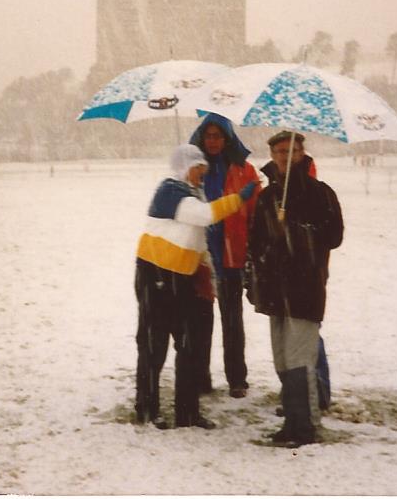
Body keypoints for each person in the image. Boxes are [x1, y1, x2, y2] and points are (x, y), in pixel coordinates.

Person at [134, 143, 257, 430]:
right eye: (198, 170)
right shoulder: (169, 191)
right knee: (154, 345)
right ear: (185, 168)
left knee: (190, 345)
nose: (202, 175)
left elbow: (197, 239)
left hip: (184, 276)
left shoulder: (192, 192)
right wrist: (239, 198)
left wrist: (205, 275)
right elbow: (204, 216)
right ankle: (146, 409)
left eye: (203, 171)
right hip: (156, 275)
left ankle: (187, 412)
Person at [246, 131, 344, 447]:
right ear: (272, 154)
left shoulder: (320, 193)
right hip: (275, 292)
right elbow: (255, 243)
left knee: (300, 358)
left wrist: (298, 231)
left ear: (302, 153)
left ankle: (305, 427)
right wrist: (254, 280)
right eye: (280, 151)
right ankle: (292, 419)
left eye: (293, 150)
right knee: (282, 359)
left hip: (305, 290)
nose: (286, 157)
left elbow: (334, 236)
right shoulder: (266, 197)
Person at [188, 114, 262, 399]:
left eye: (218, 136)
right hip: (201, 257)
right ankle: (200, 377)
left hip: (232, 257)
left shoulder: (244, 170)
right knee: (200, 322)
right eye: (208, 136)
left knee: (233, 321)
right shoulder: (194, 170)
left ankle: (237, 378)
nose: (213, 141)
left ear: (228, 138)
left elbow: (255, 210)